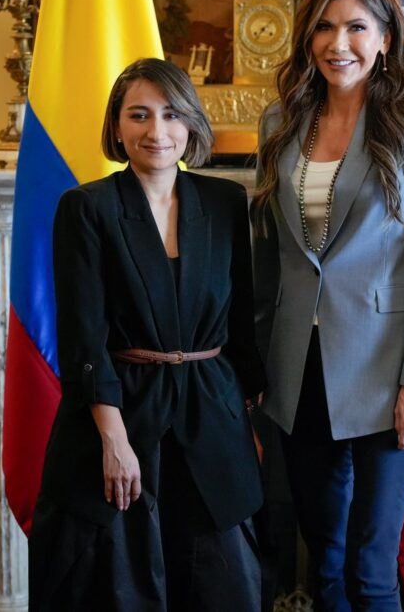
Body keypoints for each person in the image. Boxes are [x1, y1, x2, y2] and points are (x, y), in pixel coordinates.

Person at [252, 0, 404, 611]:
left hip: (387, 372)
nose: (338, 44)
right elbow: (270, 256)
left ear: (386, 38)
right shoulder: (280, 122)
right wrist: (260, 362)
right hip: (299, 369)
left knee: (370, 569)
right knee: (326, 562)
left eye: (356, 28)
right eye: (324, 27)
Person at [28, 58, 264, 611]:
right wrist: (114, 442)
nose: (157, 130)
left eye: (172, 114)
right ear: (116, 127)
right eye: (139, 115)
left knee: (225, 586)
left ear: (192, 125)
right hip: (122, 417)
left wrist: (249, 419)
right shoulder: (87, 207)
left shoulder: (226, 203)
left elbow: (242, 322)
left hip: (211, 415)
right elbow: (83, 337)